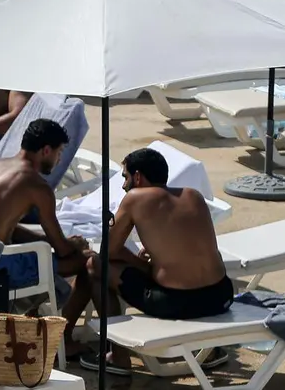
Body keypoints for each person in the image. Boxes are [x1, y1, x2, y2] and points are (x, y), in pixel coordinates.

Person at [67, 148, 232, 372]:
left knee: (94, 266)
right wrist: (153, 259)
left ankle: (118, 356)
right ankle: (209, 350)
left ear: (138, 177)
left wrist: (136, 261)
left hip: (178, 302)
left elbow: (108, 252)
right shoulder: (193, 195)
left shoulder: (135, 198)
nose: (124, 185)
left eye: (125, 177)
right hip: (220, 295)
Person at [0, 119, 90, 294]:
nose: (59, 159)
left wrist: (46, 241)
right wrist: (75, 246)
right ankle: (67, 318)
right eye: (59, 152)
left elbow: (2, 227)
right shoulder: (37, 186)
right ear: (46, 151)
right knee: (84, 261)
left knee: (45, 255)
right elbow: (62, 250)